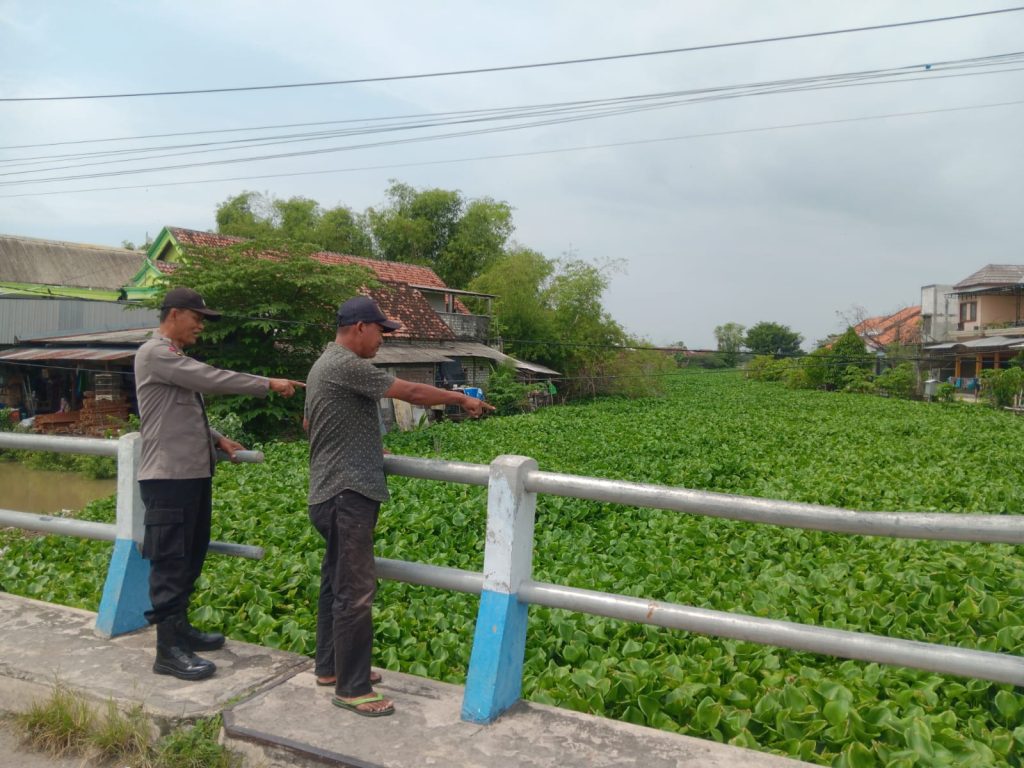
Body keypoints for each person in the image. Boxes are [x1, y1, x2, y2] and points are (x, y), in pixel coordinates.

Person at [305, 295, 494, 717]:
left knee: (336, 584)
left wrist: (363, 445)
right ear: (359, 328)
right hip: (347, 495)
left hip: (329, 492)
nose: (383, 341)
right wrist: (460, 398)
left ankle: (331, 668)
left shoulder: (322, 365)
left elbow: (310, 423)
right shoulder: (346, 364)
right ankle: (352, 688)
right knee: (355, 592)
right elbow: (408, 391)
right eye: (380, 332)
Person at [134, 286, 303, 681]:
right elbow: (210, 380)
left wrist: (216, 438)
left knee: (191, 554)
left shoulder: (174, 357)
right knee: (171, 560)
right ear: (174, 314)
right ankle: (167, 649)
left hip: (192, 474)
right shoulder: (155, 353)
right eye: (197, 318)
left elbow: (178, 411)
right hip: (167, 477)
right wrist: (267, 383)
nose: (200, 327)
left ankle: (181, 631)